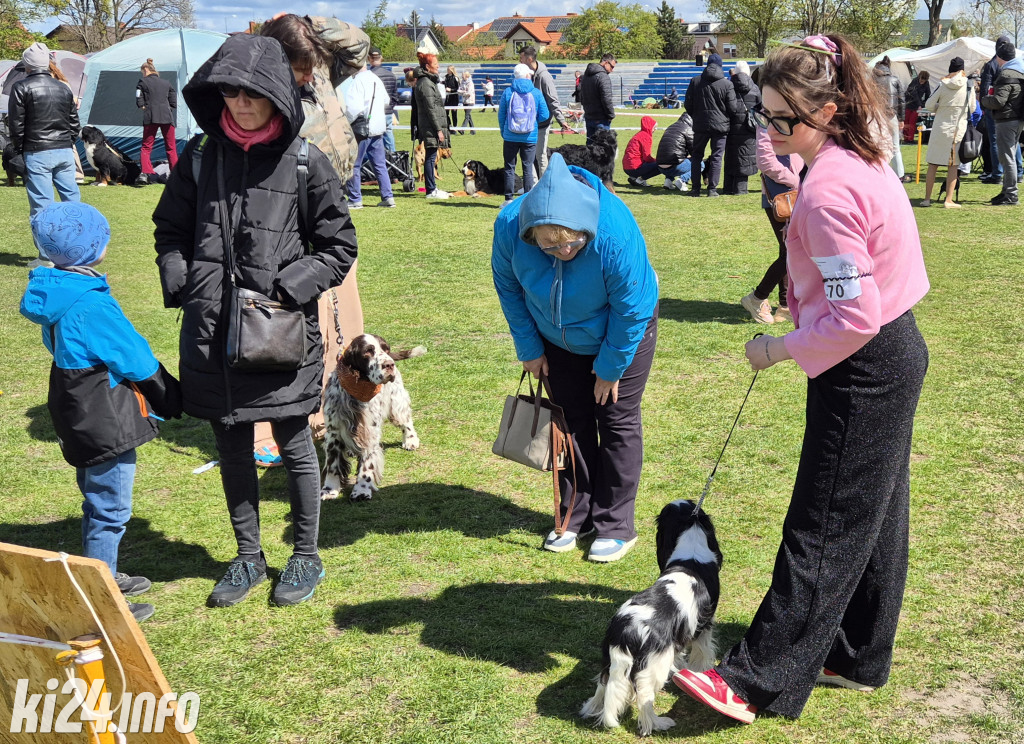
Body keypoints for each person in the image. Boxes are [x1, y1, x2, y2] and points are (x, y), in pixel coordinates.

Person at [674, 34, 929, 724]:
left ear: (826, 111)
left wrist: (777, 348)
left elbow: (854, 319)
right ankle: (857, 654)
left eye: (784, 118)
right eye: (765, 114)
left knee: (824, 523)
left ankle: (754, 679)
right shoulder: (857, 154)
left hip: (865, 364)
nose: (771, 129)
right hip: (892, 350)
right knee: (876, 513)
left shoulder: (829, 191)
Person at [152, 34, 357, 608]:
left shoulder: (305, 161)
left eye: (252, 93)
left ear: (276, 95)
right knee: (233, 448)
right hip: (211, 333)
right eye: (230, 92)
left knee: (294, 445)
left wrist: (290, 287)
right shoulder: (199, 157)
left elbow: (338, 246)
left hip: (279, 334)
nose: (241, 103)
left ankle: (306, 555)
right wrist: (182, 279)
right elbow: (170, 231)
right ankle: (247, 556)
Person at [491, 153, 659, 564]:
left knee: (616, 420)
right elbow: (508, 286)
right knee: (569, 422)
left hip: (621, 331)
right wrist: (529, 348)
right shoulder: (510, 225)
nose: (562, 251)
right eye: (548, 245)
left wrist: (610, 368)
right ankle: (574, 514)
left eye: (571, 242)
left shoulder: (615, 231)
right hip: (554, 336)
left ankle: (615, 524)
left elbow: (632, 309)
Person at [21, 202, 182, 623]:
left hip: (73, 404)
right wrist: (169, 393)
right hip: (101, 413)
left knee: (95, 497)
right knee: (110, 507)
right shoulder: (91, 304)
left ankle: (102, 573)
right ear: (93, 247)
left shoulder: (55, 289)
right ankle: (101, 597)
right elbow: (133, 356)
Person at [256, 13, 369, 466]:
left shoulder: (319, 69)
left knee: (342, 320)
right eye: (301, 67)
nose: (308, 77)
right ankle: (268, 426)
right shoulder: (263, 89)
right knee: (288, 324)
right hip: (289, 215)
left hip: (330, 208)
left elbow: (358, 46)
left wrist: (311, 24)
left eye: (311, 66)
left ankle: (329, 410)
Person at [9, 42, 80, 268]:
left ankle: (46, 256)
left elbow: (16, 126)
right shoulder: (63, 87)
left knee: (42, 206)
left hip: (37, 151)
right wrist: (67, 143)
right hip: (64, 151)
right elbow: (74, 124)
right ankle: (77, 248)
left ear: (27, 64)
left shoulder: (21, 87)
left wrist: (19, 151)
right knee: (72, 202)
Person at [740, 125, 803, 324]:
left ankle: (785, 305)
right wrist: (797, 181)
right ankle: (757, 298)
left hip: (795, 194)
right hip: (781, 197)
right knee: (791, 250)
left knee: (788, 249)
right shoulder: (766, 122)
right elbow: (766, 161)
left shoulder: (794, 118)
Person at [920, 57, 975, 208]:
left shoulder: (942, 84)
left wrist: (939, 108)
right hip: (957, 129)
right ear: (962, 70)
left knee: (933, 164)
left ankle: (927, 199)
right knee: (953, 166)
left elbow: (929, 104)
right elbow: (972, 108)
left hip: (940, 128)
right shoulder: (969, 85)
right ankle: (948, 200)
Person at [341, 60, 394, 208]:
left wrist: (345, 121)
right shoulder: (375, 78)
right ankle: (388, 197)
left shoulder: (357, 81)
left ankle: (355, 199)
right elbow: (386, 100)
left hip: (362, 130)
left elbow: (354, 108)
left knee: (354, 164)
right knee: (379, 164)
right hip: (378, 127)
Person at [685, 53, 737, 197]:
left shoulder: (695, 81)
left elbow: (688, 104)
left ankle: (695, 189)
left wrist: (696, 116)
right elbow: (733, 108)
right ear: (721, 66)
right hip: (721, 126)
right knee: (717, 157)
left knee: (696, 156)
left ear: (707, 64)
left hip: (700, 125)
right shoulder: (727, 84)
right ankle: (712, 189)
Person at [980, 37, 1024, 206]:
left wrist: (985, 100)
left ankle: (1011, 194)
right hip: (1017, 119)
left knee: (1007, 158)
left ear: (1000, 57)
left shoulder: (1006, 74)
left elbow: (999, 101)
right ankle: (1006, 191)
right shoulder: (1020, 71)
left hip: (1006, 120)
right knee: (1009, 156)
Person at [498, 63, 549, 201]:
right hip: (529, 137)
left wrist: (504, 131)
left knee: (509, 168)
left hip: (510, 136)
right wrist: (533, 121)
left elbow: (501, 115)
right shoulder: (536, 93)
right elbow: (545, 114)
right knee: (528, 168)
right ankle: (527, 198)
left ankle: (508, 199)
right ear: (527, 76)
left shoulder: (508, 92)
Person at [519, 45, 570, 176]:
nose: (519, 61)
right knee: (529, 155)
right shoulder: (525, 76)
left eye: (521, 58)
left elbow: (553, 99)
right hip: (529, 123)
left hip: (542, 123)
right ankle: (532, 183)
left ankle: (544, 182)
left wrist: (561, 120)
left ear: (529, 59)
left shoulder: (544, 76)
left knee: (540, 155)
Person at [411, 51, 451, 199]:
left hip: (429, 124)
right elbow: (430, 109)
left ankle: (432, 188)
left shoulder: (427, 82)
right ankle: (431, 190)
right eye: (435, 64)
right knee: (431, 156)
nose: (438, 66)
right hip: (429, 126)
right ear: (427, 67)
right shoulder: (426, 84)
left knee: (431, 155)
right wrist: (438, 129)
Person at [723, 60, 761, 194]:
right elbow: (761, 108)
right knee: (745, 156)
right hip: (748, 128)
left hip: (731, 127)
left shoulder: (728, 86)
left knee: (731, 156)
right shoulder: (754, 88)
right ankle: (741, 188)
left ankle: (727, 187)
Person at [136, 59, 178, 178]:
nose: (143, 75)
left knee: (146, 147)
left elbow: (138, 96)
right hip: (167, 117)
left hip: (151, 117)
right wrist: (170, 107)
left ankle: (146, 173)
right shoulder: (166, 83)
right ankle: (175, 173)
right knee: (171, 147)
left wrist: (142, 106)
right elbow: (173, 97)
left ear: (146, 70)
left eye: (142, 72)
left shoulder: (142, 82)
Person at [873, 56, 909, 182]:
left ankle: (878, 173)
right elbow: (902, 101)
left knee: (876, 145)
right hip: (891, 115)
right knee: (895, 147)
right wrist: (901, 119)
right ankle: (899, 175)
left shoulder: (871, 81)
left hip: (876, 115)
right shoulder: (894, 79)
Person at [48, 61, 85, 184]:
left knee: (70, 146)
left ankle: (77, 173)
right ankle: (74, 173)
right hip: (62, 119)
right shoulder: (64, 83)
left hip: (61, 119)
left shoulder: (61, 84)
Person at [579, 53, 616, 140]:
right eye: (612, 67)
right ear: (606, 63)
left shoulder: (585, 76)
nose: (612, 70)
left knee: (590, 146)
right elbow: (606, 99)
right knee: (603, 146)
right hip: (601, 118)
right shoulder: (603, 77)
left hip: (589, 116)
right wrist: (611, 115)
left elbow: (581, 95)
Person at [654, 110, 694, 190]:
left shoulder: (671, 127)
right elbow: (695, 151)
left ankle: (668, 181)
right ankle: (682, 180)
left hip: (660, 167)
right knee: (700, 164)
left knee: (670, 156)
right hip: (674, 167)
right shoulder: (688, 129)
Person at [368, 47, 398, 152]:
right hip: (387, 112)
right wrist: (389, 108)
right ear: (381, 58)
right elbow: (395, 97)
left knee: (371, 140)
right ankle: (393, 158)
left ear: (369, 59)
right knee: (389, 136)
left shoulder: (367, 76)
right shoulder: (391, 75)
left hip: (373, 114)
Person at [622, 115, 660, 186]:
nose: (655, 129)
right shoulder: (646, 137)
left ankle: (634, 178)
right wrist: (656, 160)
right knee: (661, 165)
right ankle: (641, 179)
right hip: (635, 167)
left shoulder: (638, 135)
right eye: (654, 127)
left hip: (626, 167)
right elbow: (647, 157)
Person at [903, 70, 932, 143]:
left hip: (916, 105)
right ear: (919, 77)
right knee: (906, 121)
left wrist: (926, 103)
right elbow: (914, 94)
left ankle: (910, 139)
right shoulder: (914, 81)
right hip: (909, 103)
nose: (922, 82)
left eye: (924, 81)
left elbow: (928, 94)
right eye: (921, 80)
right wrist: (919, 104)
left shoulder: (926, 83)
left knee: (912, 122)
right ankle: (906, 138)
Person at [458, 70, 476, 134]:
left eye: (463, 75)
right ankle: (473, 130)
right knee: (468, 116)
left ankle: (462, 129)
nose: (462, 76)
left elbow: (469, 93)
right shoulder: (462, 82)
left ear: (466, 76)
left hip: (470, 101)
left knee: (467, 116)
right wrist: (463, 92)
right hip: (464, 101)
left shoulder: (470, 83)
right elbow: (459, 90)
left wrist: (462, 92)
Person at [444, 65, 460, 130]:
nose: (447, 71)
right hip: (448, 97)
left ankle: (455, 127)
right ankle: (449, 125)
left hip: (454, 97)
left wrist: (451, 90)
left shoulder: (455, 78)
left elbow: (458, 88)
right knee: (445, 113)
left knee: (454, 113)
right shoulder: (446, 77)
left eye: (448, 70)